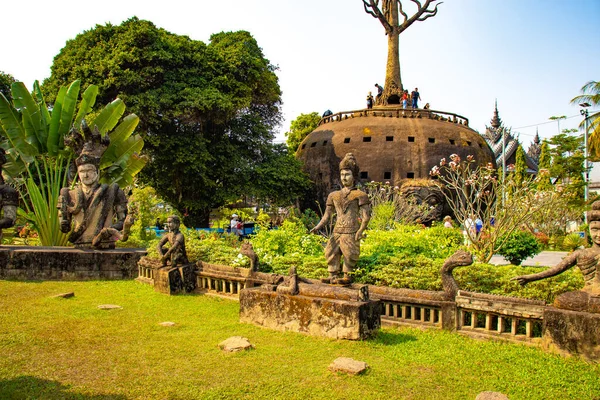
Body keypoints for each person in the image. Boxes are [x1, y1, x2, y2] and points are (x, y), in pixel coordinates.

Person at [514, 201, 600, 312]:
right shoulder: (581, 253)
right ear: (589, 229)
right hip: (587, 295)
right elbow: (555, 270)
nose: (598, 235)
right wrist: (530, 277)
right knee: (560, 300)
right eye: (595, 229)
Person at [310, 153, 371, 284]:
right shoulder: (334, 195)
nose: (344, 178)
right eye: (342, 175)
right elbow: (327, 215)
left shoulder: (360, 195)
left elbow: (366, 217)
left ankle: (347, 276)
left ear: (353, 176)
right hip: (337, 230)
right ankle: (332, 275)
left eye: (347, 174)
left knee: (350, 254)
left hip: (351, 230)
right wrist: (317, 227)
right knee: (331, 251)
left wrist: (360, 230)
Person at [58, 145, 128, 249]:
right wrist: (63, 223)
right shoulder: (69, 194)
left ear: (97, 172)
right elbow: (64, 226)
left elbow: (123, 220)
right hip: (79, 242)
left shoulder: (112, 192)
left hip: (105, 243)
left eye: (89, 170)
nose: (85, 175)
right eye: (82, 171)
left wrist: (109, 230)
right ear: (78, 173)